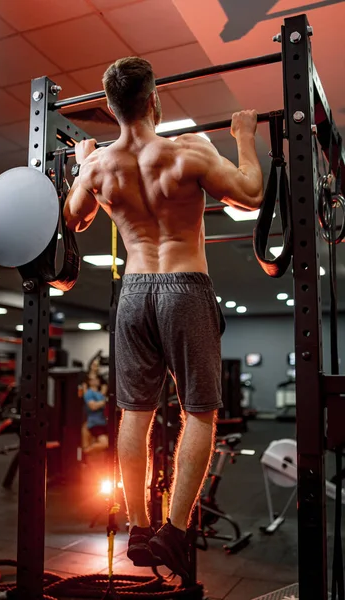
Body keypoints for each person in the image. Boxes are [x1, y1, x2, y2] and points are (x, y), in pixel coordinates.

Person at [64, 57, 263, 578]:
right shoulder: (188, 152)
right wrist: (243, 135)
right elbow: (251, 194)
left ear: (110, 108)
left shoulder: (100, 166)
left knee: (136, 412)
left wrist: (83, 161)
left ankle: (138, 525)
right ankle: (174, 531)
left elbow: (73, 218)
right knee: (200, 410)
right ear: (155, 101)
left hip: (133, 292)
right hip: (184, 286)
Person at [83, 375, 108, 455]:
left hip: (103, 423)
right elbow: (93, 406)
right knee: (105, 444)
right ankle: (85, 452)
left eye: (97, 379)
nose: (96, 381)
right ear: (89, 382)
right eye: (93, 379)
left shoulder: (100, 394)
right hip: (95, 423)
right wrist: (104, 402)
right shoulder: (89, 393)